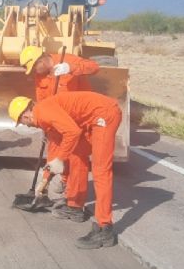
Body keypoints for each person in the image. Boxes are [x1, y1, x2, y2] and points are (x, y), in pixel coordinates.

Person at [8, 91, 122, 249]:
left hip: (104, 113)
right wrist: (45, 181)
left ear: (25, 115)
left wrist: (61, 159)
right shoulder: (44, 119)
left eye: (22, 122)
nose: (26, 125)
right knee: (77, 156)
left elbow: (72, 133)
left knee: (101, 170)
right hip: (91, 117)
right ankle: (75, 207)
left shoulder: (43, 112)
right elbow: (56, 149)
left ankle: (105, 229)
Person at [19, 46, 100, 216]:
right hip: (58, 120)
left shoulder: (67, 60)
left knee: (77, 159)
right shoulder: (40, 77)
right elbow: (42, 103)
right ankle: (43, 190)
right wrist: (44, 126)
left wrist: (71, 68)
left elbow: (94, 67)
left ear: (41, 60)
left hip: (81, 119)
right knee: (54, 153)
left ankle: (75, 205)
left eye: (34, 67)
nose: (34, 72)